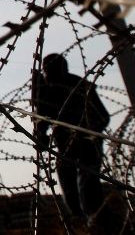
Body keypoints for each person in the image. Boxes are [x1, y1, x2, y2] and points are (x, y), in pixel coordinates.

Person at [33, 53, 110, 222]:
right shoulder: (47, 89)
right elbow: (43, 117)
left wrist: (87, 133)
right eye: (45, 71)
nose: (47, 75)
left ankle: (95, 218)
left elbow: (103, 117)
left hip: (88, 144)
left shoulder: (79, 86)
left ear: (62, 69)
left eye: (49, 70)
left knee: (88, 182)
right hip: (65, 146)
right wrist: (41, 135)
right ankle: (79, 218)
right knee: (68, 182)